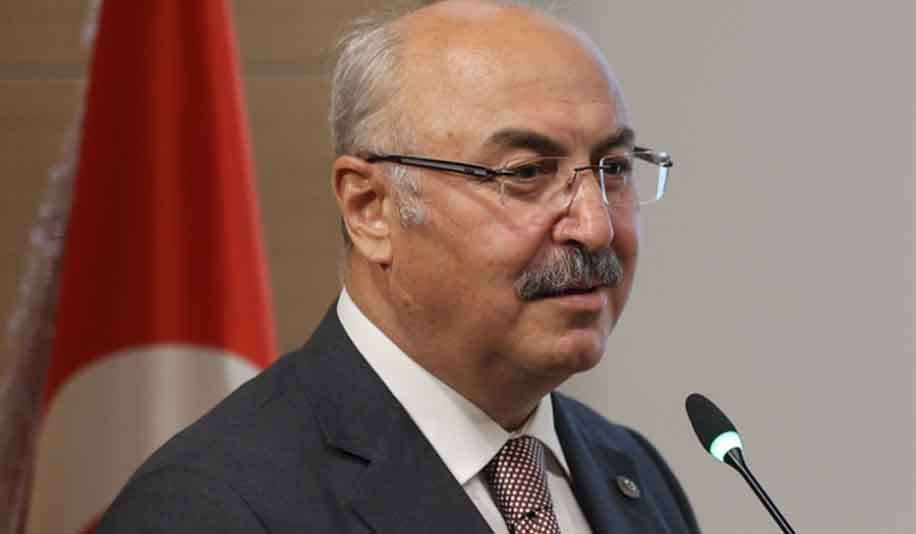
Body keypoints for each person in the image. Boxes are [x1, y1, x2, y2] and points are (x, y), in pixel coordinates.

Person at [99, 1, 699, 532]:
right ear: (371, 209)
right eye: (526, 173)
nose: (595, 227)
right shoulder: (208, 508)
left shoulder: (632, 473)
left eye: (614, 168)